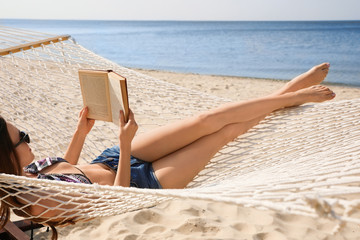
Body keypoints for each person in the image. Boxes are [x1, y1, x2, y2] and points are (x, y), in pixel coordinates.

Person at [0, 63, 335, 238]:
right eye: (22, 137)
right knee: (223, 135)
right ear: (7, 154)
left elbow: (68, 169)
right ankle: (292, 95)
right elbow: (117, 199)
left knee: (206, 120)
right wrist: (127, 140)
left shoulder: (28, 174)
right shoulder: (39, 200)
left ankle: (288, 90)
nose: (28, 140)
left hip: (112, 160)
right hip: (141, 186)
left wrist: (80, 131)